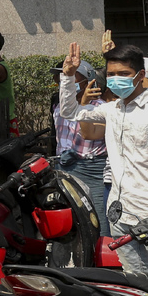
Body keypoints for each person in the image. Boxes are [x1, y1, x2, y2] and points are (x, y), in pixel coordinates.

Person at [59, 43, 148, 294]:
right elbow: (70, 112)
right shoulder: (112, 110)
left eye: (123, 74)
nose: (116, 79)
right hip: (119, 212)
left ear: (140, 76)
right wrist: (68, 77)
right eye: (112, 74)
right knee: (135, 279)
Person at [53, 61, 108, 232]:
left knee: (98, 219)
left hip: (92, 169)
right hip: (64, 167)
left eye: (72, 76)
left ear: (88, 80)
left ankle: (104, 256)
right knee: (72, 219)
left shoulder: (101, 108)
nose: (64, 81)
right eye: (62, 77)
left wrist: (85, 104)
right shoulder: (60, 108)